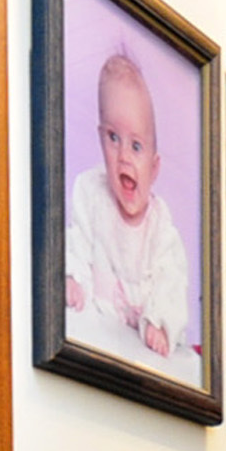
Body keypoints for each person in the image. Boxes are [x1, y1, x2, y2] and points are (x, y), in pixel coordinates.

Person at [64, 51, 191, 366]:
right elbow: (76, 242)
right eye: (113, 138)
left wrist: (160, 323)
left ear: (154, 166)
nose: (123, 156)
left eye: (136, 146)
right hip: (101, 334)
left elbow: (171, 280)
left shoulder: (160, 226)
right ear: (100, 139)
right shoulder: (91, 193)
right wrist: (73, 277)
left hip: (145, 349)